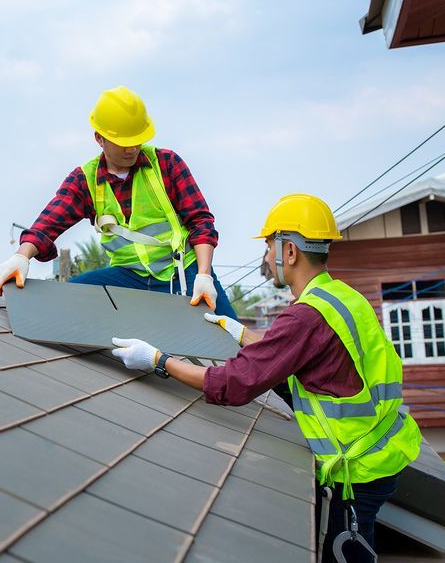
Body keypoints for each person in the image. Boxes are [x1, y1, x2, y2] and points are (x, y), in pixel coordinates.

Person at [110, 193, 421, 562]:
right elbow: (292, 354)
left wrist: (160, 360)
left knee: (346, 553)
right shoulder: (341, 297)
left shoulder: (305, 316)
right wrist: (239, 332)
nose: (266, 257)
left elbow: (234, 383)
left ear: (289, 251)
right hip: (383, 449)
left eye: (269, 246)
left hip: (357, 470)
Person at [0, 85, 237, 318]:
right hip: (128, 277)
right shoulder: (84, 180)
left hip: (184, 272)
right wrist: (21, 257)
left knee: (233, 340)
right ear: (100, 138)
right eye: (123, 143)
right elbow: (48, 224)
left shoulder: (166, 164)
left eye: (137, 140)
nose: (132, 149)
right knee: (66, 301)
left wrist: (204, 274)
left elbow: (200, 221)